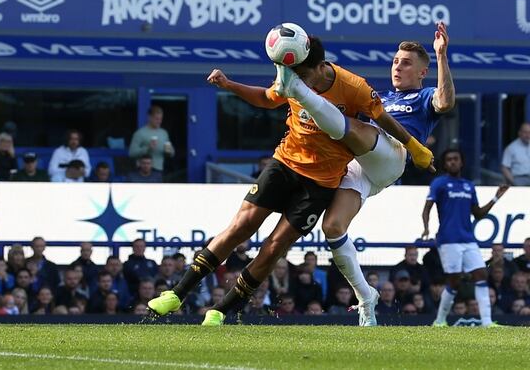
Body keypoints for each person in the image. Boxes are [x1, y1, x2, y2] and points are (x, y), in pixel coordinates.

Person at [148, 35, 411, 326]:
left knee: (275, 245)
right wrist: (229, 85)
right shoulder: (291, 74)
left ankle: (223, 310)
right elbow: (267, 98)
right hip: (284, 163)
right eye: (295, 76)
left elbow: (381, 118)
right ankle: (177, 293)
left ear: (322, 67)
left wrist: (415, 148)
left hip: (321, 184)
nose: (300, 83)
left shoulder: (354, 87)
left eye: (305, 76)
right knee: (241, 226)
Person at [269, 25, 446, 327]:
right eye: (395, 61)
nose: (397, 67)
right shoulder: (384, 98)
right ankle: (366, 297)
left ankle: (295, 86)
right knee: (333, 227)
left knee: (356, 126)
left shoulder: (425, 96)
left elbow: (445, 102)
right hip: (362, 165)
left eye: (406, 62)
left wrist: (441, 56)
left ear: (422, 72)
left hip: (391, 156)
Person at [422, 149, 509, 327]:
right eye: (449, 160)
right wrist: (426, 228)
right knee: (454, 281)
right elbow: (427, 208)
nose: (452, 162)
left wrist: (496, 197)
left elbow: (477, 214)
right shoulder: (439, 183)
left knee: (481, 274)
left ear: (462, 162)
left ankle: (487, 322)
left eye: (456, 159)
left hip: (468, 239)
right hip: (448, 239)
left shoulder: (469, 186)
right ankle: (439, 321)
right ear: (445, 164)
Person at [129, 105, 174, 173]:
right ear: (149, 117)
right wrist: (148, 148)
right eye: (157, 119)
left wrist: (169, 151)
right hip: (142, 171)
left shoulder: (164, 133)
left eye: (161, 119)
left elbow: (172, 153)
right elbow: (131, 153)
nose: (159, 121)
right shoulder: (140, 133)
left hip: (159, 170)